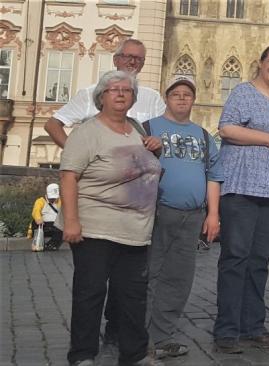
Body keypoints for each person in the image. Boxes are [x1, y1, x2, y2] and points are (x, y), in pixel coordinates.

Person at [57, 70, 162, 366]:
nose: (120, 94)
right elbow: (68, 176)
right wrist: (72, 221)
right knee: (90, 293)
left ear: (133, 98)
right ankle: (82, 355)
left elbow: (145, 167)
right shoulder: (87, 131)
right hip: (95, 227)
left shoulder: (137, 128)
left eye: (126, 90)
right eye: (113, 89)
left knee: (132, 296)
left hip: (135, 230)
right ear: (101, 96)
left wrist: (158, 149)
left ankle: (134, 353)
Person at [213, 45, 269, 354]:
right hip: (242, 186)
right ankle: (227, 329)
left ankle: (253, 325)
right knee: (235, 258)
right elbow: (226, 129)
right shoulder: (243, 92)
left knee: (260, 260)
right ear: (261, 63)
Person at [145, 76, 223, 359]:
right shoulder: (149, 127)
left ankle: (163, 336)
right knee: (148, 273)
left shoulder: (202, 135)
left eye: (187, 94)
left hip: (192, 216)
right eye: (176, 94)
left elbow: (214, 176)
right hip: (157, 212)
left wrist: (213, 214)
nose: (181, 98)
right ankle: (137, 335)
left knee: (179, 278)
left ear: (193, 100)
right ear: (167, 98)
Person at [45, 39, 165, 148]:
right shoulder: (89, 94)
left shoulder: (153, 98)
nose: (132, 62)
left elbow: (166, 133)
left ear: (143, 64)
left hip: (138, 167)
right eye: (127, 56)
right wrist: (74, 153)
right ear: (115, 60)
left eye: (138, 58)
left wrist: (158, 141)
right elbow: (52, 125)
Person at [30, 183, 62, 251]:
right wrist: (38, 219)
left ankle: (50, 245)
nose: (53, 199)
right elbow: (36, 211)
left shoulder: (60, 201)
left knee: (62, 229)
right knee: (34, 223)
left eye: (54, 198)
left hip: (55, 226)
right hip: (43, 225)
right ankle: (38, 243)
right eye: (52, 197)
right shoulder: (40, 201)